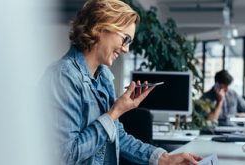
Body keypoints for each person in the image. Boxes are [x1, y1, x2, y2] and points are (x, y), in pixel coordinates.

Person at [40, 0, 202, 164]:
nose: (126, 49)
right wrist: (115, 112)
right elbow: (66, 155)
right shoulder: (63, 77)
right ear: (101, 28)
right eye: (125, 39)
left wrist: (165, 158)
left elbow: (116, 136)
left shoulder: (103, 77)